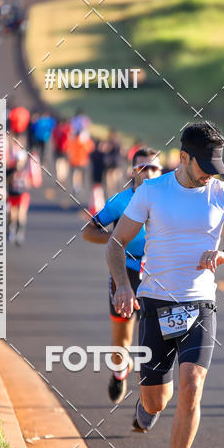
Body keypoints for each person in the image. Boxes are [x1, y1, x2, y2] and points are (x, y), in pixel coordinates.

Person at [106, 121, 224, 448]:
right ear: (184, 158)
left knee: (192, 385)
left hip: (200, 305)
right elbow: (115, 243)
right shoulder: (152, 191)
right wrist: (124, 286)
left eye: (217, 166)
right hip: (156, 303)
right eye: (204, 166)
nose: (211, 174)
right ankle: (146, 407)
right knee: (158, 401)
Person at [82, 149, 163, 403]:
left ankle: (152, 392)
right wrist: (117, 241)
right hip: (125, 272)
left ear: (162, 173)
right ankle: (119, 372)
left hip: (158, 275)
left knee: (157, 337)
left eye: (153, 168)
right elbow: (88, 231)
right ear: (133, 171)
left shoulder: (169, 201)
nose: (148, 173)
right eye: (142, 168)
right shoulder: (121, 201)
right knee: (122, 339)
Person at [6, 149, 31, 245]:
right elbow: (6, 182)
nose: (19, 163)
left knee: (21, 214)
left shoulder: (26, 171)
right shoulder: (10, 171)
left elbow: (29, 184)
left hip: (22, 195)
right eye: (17, 161)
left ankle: (20, 233)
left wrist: (25, 179)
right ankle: (11, 229)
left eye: (20, 161)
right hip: (12, 195)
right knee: (12, 215)